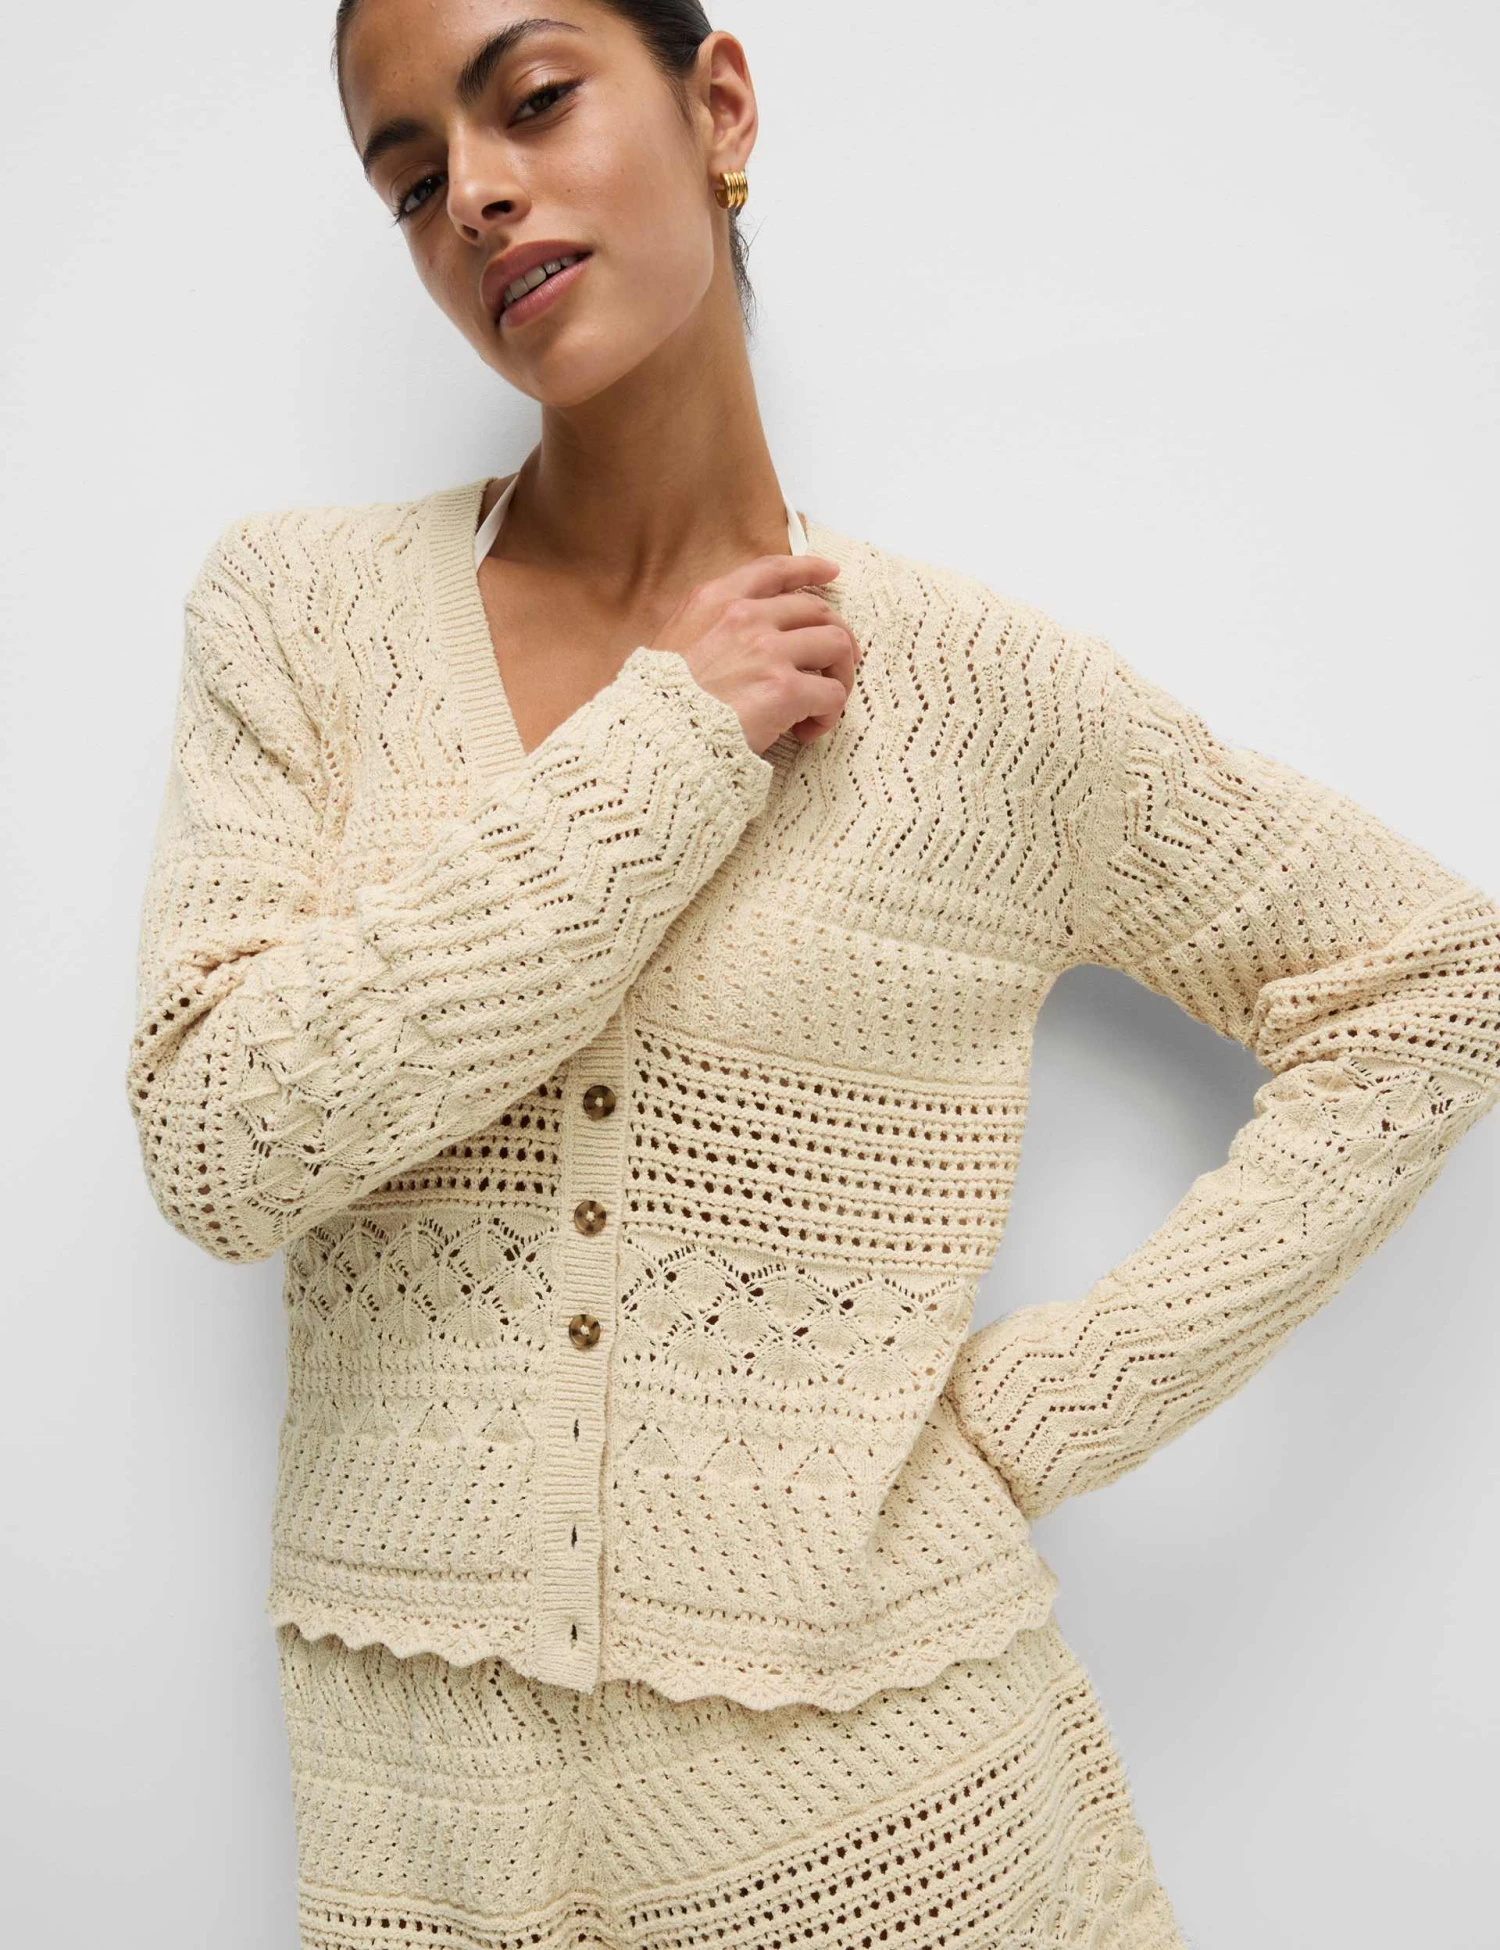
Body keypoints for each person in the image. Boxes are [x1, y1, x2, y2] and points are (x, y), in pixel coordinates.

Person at [124, 2, 1500, 1945]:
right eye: (413, 181)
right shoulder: (303, 614)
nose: (479, 196)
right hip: (431, 1849)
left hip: (900, 1830)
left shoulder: (979, 699)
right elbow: (218, 1143)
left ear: (720, 105)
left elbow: (1427, 980)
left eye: (534, 100)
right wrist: (670, 742)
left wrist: (1029, 1420)